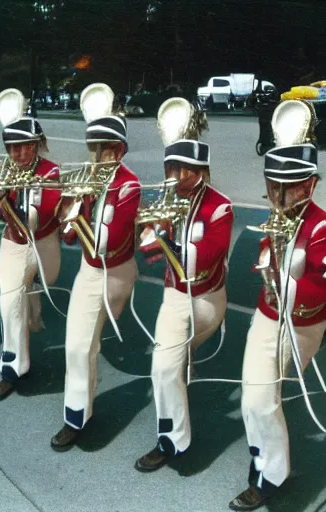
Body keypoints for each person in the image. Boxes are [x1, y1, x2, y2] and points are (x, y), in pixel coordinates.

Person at [230, 101, 326, 511]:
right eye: (274, 185)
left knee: (264, 398)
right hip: (267, 317)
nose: (280, 195)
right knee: (254, 398)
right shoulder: (276, 215)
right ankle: (270, 469)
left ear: (310, 184)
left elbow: (320, 288)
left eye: (289, 186)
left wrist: (286, 283)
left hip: (302, 325)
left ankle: (269, 476)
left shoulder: (321, 226)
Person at [134, 97, 233, 472]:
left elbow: (205, 258)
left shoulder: (220, 207)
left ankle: (177, 366)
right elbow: (150, 249)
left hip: (207, 300)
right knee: (162, 367)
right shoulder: (169, 200)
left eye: (187, 170)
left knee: (172, 361)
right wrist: (149, 236)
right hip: (175, 296)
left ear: (202, 170)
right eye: (173, 169)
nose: (179, 177)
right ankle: (172, 442)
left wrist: (167, 241)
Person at [50, 83, 140, 451]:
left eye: (107, 149)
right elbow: (72, 239)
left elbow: (110, 241)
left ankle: (81, 409)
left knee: (84, 342)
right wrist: (67, 217)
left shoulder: (129, 186)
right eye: (95, 148)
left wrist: (80, 208)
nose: (100, 155)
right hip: (90, 270)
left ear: (120, 150)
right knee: (78, 344)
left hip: (115, 271)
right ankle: (77, 414)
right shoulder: (88, 180)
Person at [0, 88, 62, 402]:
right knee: (9, 303)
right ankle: (13, 369)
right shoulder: (5, 169)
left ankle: (32, 305)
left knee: (31, 292)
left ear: (36, 145)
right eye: (12, 148)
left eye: (24, 147)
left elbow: (38, 220)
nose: (18, 155)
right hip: (13, 245)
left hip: (43, 244)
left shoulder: (51, 172)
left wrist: (8, 198)